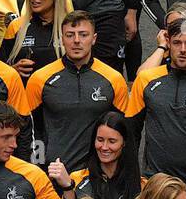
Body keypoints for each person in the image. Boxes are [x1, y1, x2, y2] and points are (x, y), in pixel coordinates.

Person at [125, 15, 186, 184]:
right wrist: (135, 181)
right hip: (153, 182)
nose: (183, 49)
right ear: (168, 43)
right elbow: (131, 135)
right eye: (177, 43)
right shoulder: (146, 80)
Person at [26, 11, 128, 174]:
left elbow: (123, 133)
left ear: (93, 39)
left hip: (96, 175)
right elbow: (30, 130)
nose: (76, 41)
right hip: (52, 173)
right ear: (61, 39)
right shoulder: (39, 79)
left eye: (83, 34)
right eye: (70, 35)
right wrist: (38, 169)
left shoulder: (113, 80)